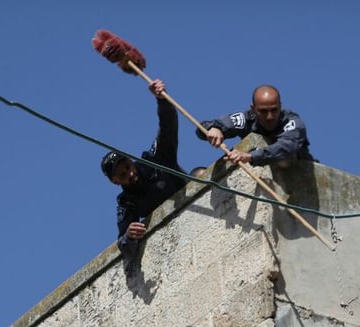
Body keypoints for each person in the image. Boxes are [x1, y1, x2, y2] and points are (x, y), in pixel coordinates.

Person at [101, 79, 186, 263]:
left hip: (189, 201)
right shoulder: (127, 203)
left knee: (201, 175)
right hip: (173, 231)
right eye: (123, 175)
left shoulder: (155, 159)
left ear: (132, 161)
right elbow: (123, 243)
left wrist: (162, 100)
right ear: (115, 182)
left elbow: (167, 128)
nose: (130, 174)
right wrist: (129, 236)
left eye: (128, 168)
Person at [196, 84, 313, 166]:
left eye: (274, 110)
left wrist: (251, 157)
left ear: (280, 106)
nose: (270, 116)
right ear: (253, 109)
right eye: (263, 111)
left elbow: (286, 147)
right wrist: (214, 129)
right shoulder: (247, 119)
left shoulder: (292, 122)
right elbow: (203, 127)